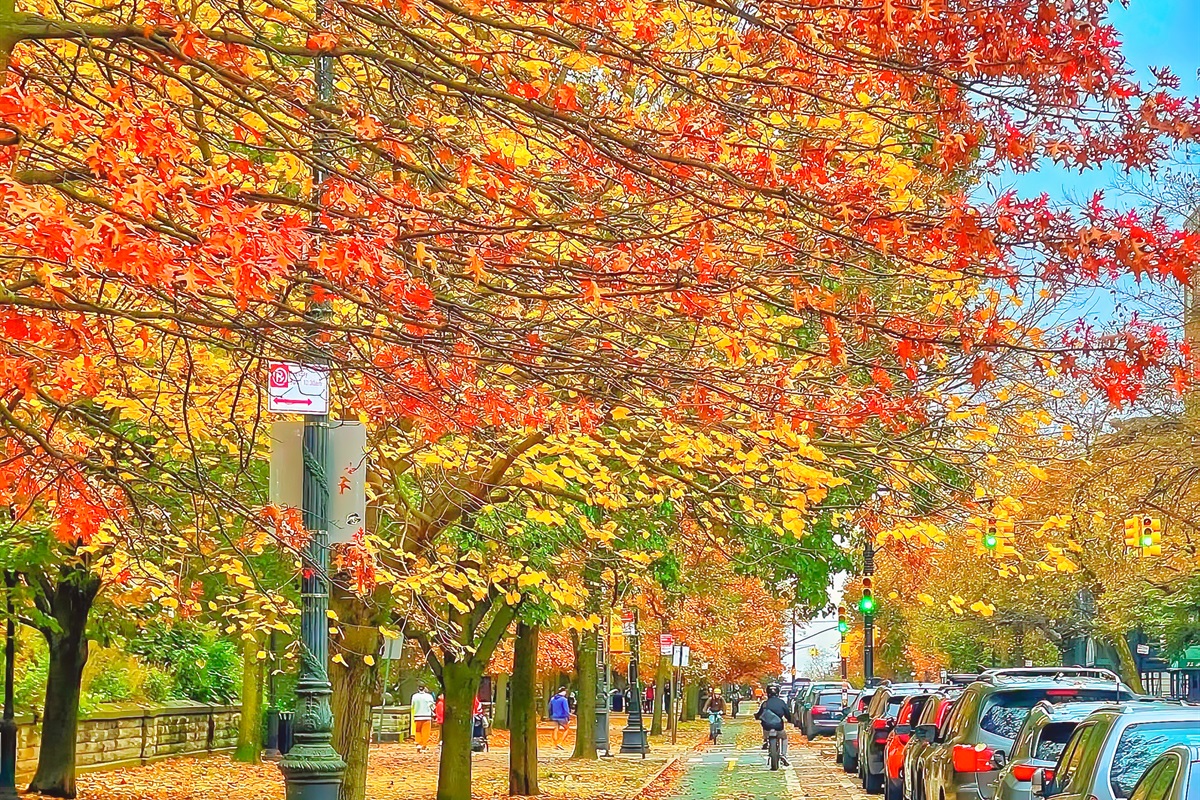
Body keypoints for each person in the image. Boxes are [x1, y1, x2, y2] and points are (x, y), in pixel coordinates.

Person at [754, 683, 796, 766]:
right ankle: (783, 755)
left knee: (764, 725)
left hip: (767, 727)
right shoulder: (781, 702)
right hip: (778, 726)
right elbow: (787, 713)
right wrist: (790, 720)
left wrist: (757, 717)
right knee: (784, 738)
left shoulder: (765, 703)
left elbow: (759, 714)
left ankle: (765, 740)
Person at [410, 685, 435, 752]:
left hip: (417, 716)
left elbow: (412, 705)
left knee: (418, 731)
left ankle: (418, 743)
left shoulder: (414, 696)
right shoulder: (429, 696)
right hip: (426, 716)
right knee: (425, 731)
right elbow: (432, 706)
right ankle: (424, 745)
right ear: (425, 689)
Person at [549, 686, 572, 750]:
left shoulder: (552, 699)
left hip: (554, 717)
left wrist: (551, 715)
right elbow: (566, 710)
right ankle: (560, 743)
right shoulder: (564, 699)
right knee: (567, 729)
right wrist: (568, 717)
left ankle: (556, 744)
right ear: (563, 692)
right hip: (562, 717)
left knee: (555, 729)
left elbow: (549, 708)